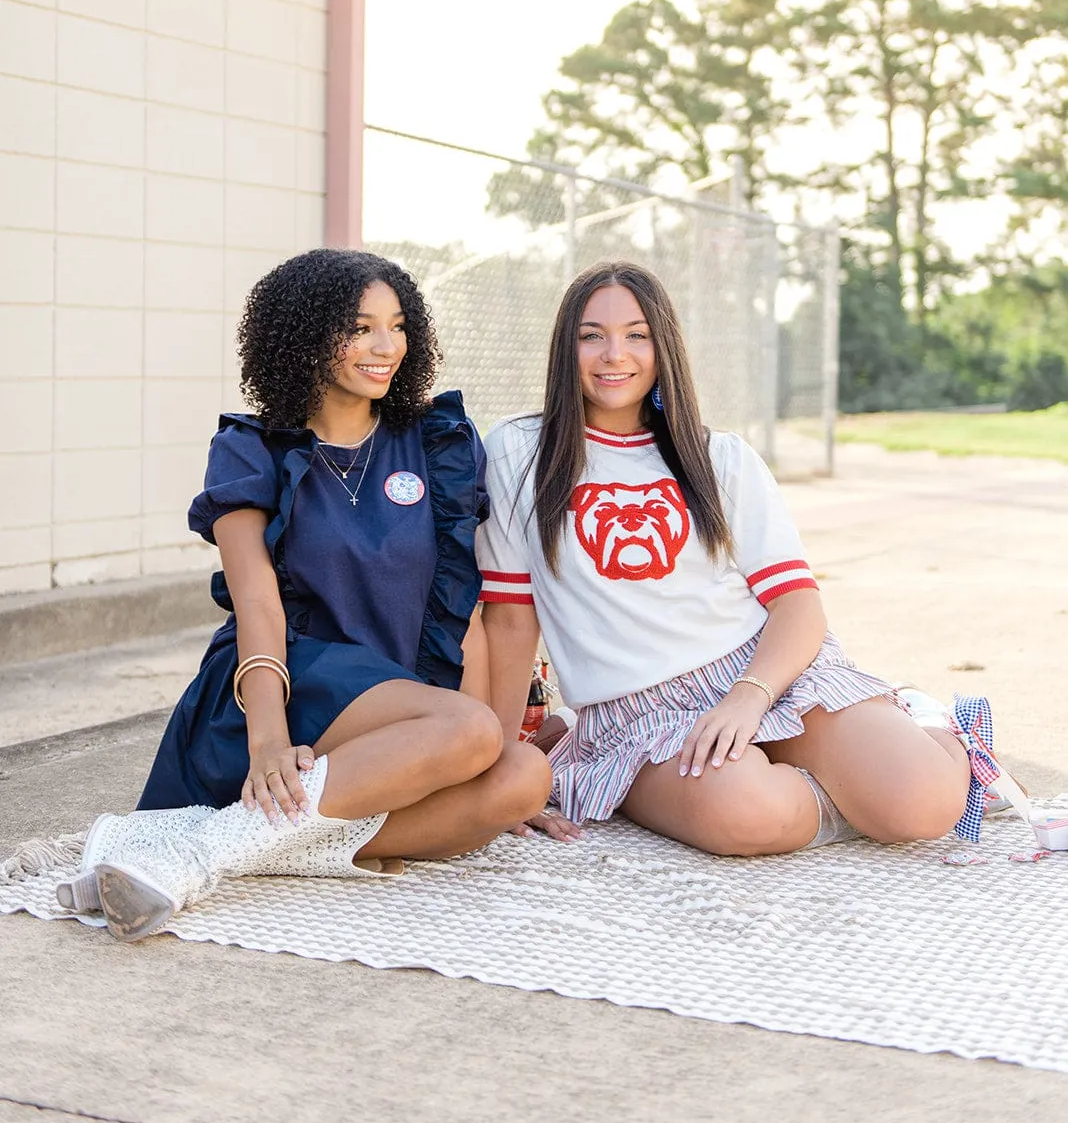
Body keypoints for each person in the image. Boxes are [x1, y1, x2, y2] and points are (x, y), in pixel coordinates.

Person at [59, 249, 550, 940]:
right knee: (471, 732)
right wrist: (267, 740)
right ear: (303, 336)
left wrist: (470, 765)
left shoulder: (437, 443)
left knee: (521, 774)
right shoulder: (250, 449)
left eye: (398, 326)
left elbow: (459, 610)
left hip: (391, 711)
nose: (386, 347)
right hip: (279, 688)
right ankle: (196, 854)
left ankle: (231, 846)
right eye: (360, 328)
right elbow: (256, 604)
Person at [479, 261, 1016, 857]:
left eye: (637, 334)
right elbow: (509, 615)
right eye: (591, 335)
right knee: (747, 817)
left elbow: (797, 604)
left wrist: (747, 698)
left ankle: (931, 729)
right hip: (640, 714)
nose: (614, 354)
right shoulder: (518, 452)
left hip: (763, 674)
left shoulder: (720, 457)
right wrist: (502, 770)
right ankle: (842, 780)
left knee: (923, 806)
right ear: (565, 348)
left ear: (664, 347)